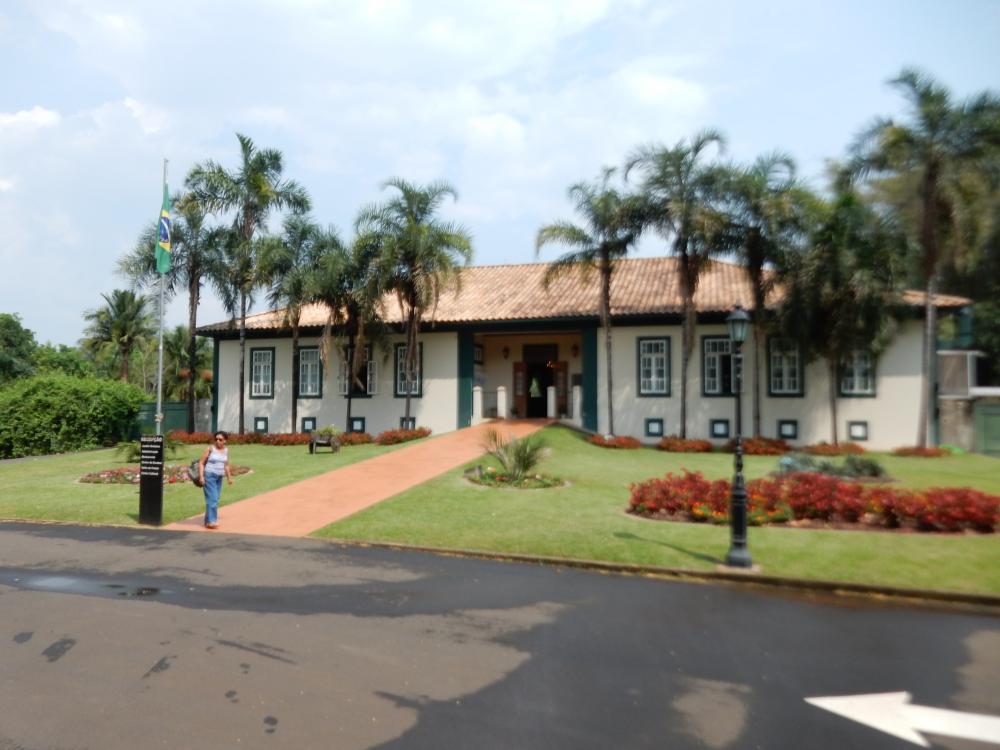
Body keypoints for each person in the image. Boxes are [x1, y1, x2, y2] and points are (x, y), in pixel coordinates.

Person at [199, 431, 232, 529]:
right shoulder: (210, 449)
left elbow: (226, 464)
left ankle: (207, 521)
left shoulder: (226, 450)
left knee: (214, 498)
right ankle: (212, 521)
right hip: (209, 476)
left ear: (225, 441)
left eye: (220, 439)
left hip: (219, 477)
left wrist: (229, 477)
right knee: (213, 499)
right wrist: (201, 476)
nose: (218, 441)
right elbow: (201, 463)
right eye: (216, 439)